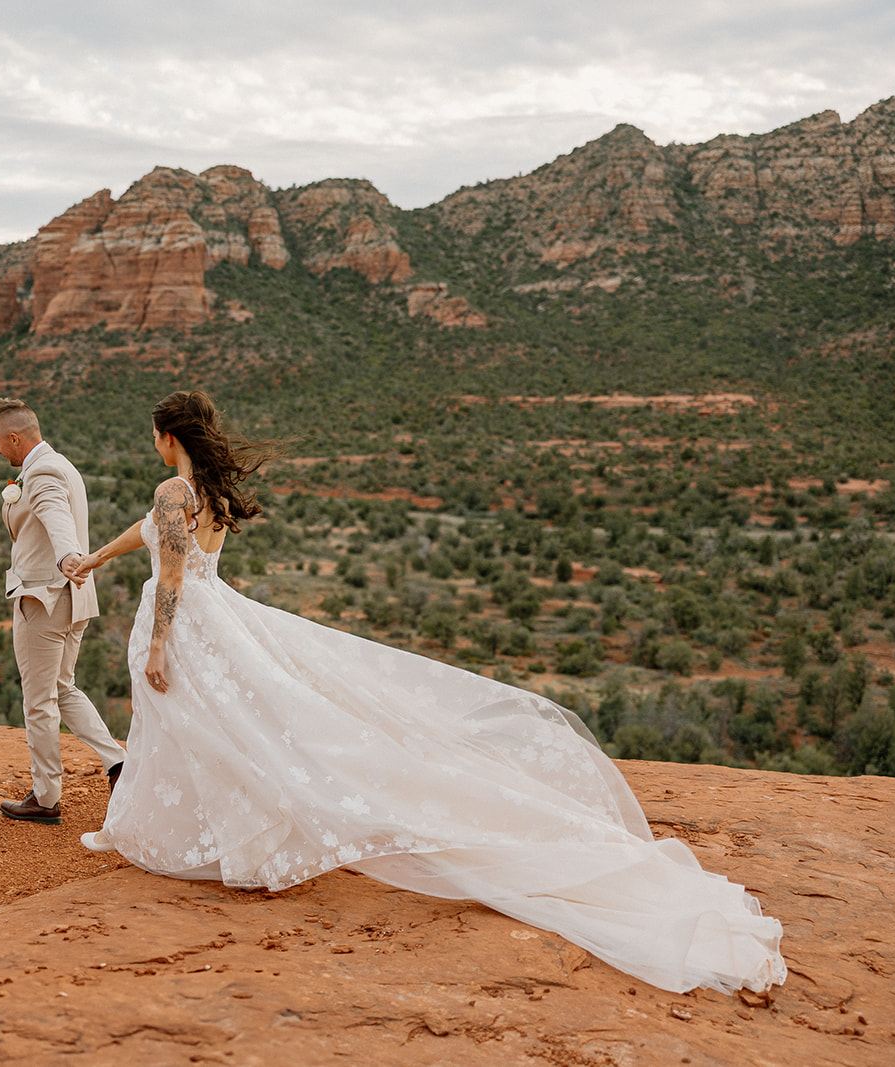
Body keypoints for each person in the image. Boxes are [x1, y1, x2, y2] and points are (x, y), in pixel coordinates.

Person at [69, 390, 785, 996]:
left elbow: (168, 573)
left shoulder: (172, 490)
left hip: (193, 625)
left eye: (153, 437)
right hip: (220, 615)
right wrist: (96, 557)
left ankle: (201, 835)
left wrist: (160, 641)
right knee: (228, 728)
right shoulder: (207, 493)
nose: (154, 446)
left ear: (167, 437)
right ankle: (209, 832)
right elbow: (154, 537)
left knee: (201, 726)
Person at [0, 397, 126, 825]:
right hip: (73, 599)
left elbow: (54, 516)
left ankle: (46, 797)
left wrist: (68, 556)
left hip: (44, 599)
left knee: (39, 702)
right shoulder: (63, 464)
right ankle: (119, 762)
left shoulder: (43, 472)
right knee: (63, 688)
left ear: (15, 438)